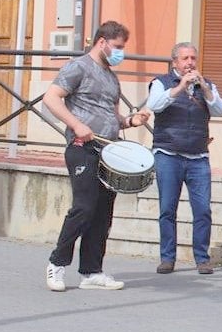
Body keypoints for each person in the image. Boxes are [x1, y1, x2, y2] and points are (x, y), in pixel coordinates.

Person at [42, 20, 150, 292]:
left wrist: (131, 121)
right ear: (102, 42)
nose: (120, 53)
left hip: (108, 152)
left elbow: (113, 118)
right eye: (117, 47)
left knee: (103, 213)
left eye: (122, 48)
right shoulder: (78, 67)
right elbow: (51, 98)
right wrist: (77, 124)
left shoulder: (112, 78)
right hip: (82, 148)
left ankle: (92, 271)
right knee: (84, 207)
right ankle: (57, 263)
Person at [146, 42, 222, 275]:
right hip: (168, 154)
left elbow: (220, 109)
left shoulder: (207, 84)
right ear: (175, 62)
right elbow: (154, 105)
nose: (190, 63)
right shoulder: (161, 83)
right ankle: (167, 258)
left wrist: (205, 88)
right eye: (185, 59)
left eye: (193, 58)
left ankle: (202, 258)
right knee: (167, 209)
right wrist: (180, 87)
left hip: (198, 156)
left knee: (202, 210)